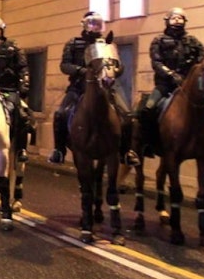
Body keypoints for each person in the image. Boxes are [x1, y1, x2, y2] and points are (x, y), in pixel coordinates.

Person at [48, 12, 138, 166]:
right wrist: (82, 71)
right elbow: (65, 65)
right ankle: (59, 150)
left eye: (98, 24)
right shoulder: (73, 43)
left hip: (105, 87)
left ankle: (126, 152)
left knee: (127, 114)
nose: (95, 27)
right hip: (78, 87)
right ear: (85, 25)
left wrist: (115, 71)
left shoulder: (108, 45)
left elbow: (119, 65)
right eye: (92, 24)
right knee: (60, 113)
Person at [138, 7, 204, 162]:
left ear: (184, 21)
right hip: (164, 85)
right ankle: (147, 144)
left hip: (187, 86)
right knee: (147, 109)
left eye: (180, 18)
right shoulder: (159, 41)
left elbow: (201, 61)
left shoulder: (193, 42)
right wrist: (171, 74)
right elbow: (156, 62)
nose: (177, 20)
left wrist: (190, 77)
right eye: (174, 18)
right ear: (167, 21)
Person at [0, 17, 34, 162]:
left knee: (22, 115)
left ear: (2, 30)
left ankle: (21, 148)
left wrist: (24, 84)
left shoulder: (13, 48)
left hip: (8, 89)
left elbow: (23, 69)